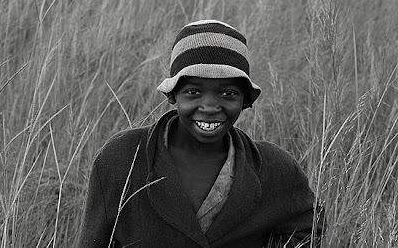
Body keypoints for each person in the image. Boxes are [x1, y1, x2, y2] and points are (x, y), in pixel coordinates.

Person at [77, 19, 325, 248]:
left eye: (228, 94)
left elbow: (307, 231)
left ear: (244, 100)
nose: (209, 107)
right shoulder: (122, 158)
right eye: (193, 92)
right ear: (173, 95)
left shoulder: (274, 168)